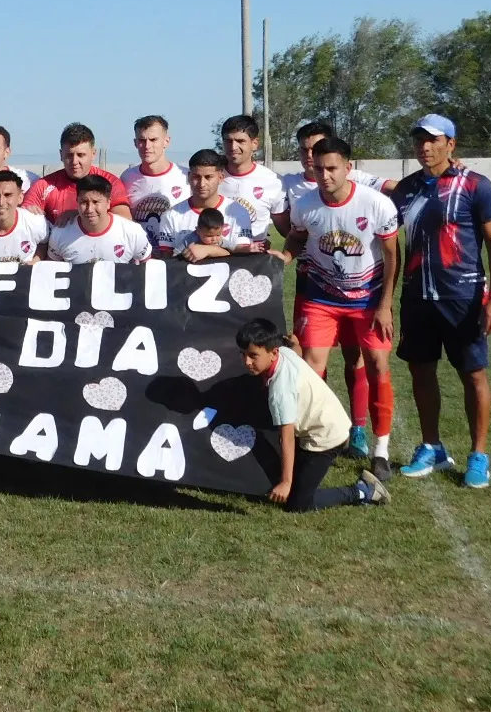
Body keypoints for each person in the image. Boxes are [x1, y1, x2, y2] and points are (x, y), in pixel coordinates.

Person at [392, 114, 491, 489]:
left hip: (463, 296)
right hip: (417, 296)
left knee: (472, 374)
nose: (425, 147)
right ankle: (432, 447)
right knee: (421, 371)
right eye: (419, 140)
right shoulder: (405, 189)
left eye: (434, 140)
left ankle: (479, 455)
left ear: (451, 144)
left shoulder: (475, 185)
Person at [278, 137, 400, 481]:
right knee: (311, 368)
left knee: (377, 364)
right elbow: (298, 237)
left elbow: (392, 254)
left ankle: (381, 450)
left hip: (368, 300)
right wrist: (285, 255)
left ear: (349, 167)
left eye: (332, 168)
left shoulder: (376, 204)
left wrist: (386, 304)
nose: (325, 176)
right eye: (319, 169)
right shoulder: (304, 204)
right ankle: (315, 442)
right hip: (321, 298)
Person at [236, 319, 390, 512]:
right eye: (242, 355)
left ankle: (363, 490)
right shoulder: (283, 352)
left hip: (325, 439)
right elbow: (296, 352)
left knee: (297, 504)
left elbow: (287, 437)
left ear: (273, 352)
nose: (247, 362)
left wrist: (286, 482)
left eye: (253, 356)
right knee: (281, 479)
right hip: (325, 423)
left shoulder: (281, 391)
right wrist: (295, 344)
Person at [23, 123, 132, 227]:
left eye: (81, 155)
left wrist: (79, 215)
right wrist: (28, 214)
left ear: (93, 154)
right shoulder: (44, 185)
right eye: (69, 155)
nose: (74, 161)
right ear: (61, 155)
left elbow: (124, 221)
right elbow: (23, 220)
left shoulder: (110, 182)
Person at [155, 149, 255, 261]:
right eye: (196, 177)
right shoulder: (171, 215)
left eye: (208, 177)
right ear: (189, 177)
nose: (202, 184)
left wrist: (207, 250)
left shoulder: (238, 213)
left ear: (220, 178)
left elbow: (243, 260)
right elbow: (167, 262)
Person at [47, 174, 151, 264]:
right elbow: (51, 271)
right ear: (77, 202)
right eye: (84, 202)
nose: (90, 209)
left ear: (108, 203)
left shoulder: (133, 232)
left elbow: (147, 266)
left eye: (96, 202)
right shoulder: (60, 233)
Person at [121, 115, 190, 246]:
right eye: (142, 140)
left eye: (153, 140)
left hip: (178, 258)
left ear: (166, 141)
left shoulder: (186, 176)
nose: (147, 146)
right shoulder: (126, 178)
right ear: (135, 143)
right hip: (141, 258)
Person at [219, 115, 286, 243]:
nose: (233, 147)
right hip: (216, 257)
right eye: (228, 141)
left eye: (240, 141)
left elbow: (286, 231)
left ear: (254, 143)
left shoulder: (273, 181)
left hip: (254, 259)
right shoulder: (208, 178)